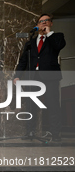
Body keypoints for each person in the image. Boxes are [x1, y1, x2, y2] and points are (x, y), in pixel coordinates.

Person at [13, 14, 66, 142]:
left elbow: (58, 47)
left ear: (51, 23)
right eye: (41, 21)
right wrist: (17, 76)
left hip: (50, 77)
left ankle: (55, 134)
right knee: (31, 106)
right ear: (37, 25)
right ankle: (30, 132)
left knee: (53, 105)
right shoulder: (30, 43)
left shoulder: (57, 37)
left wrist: (49, 34)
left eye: (46, 21)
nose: (43, 23)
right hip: (33, 78)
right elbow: (23, 61)